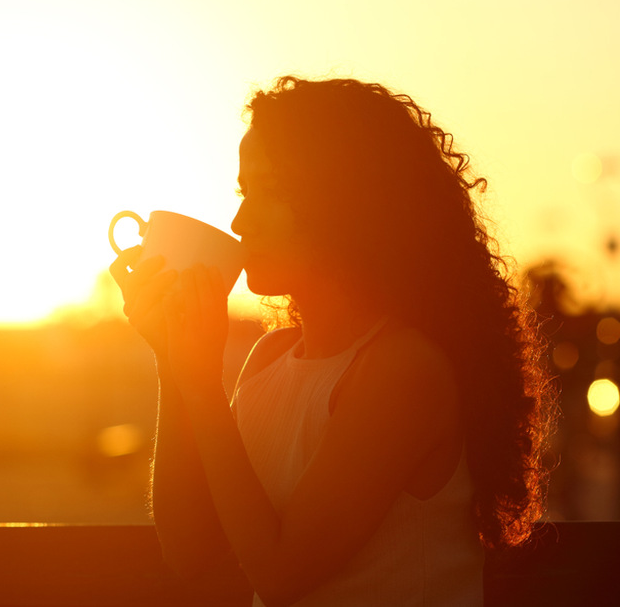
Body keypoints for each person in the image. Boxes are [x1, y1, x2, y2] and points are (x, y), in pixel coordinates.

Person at [109, 76, 556, 606]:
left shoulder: (402, 370)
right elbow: (189, 552)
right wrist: (171, 356)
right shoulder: (269, 358)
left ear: (344, 201)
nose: (238, 221)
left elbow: (280, 575)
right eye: (243, 191)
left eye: (269, 190)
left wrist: (203, 386)